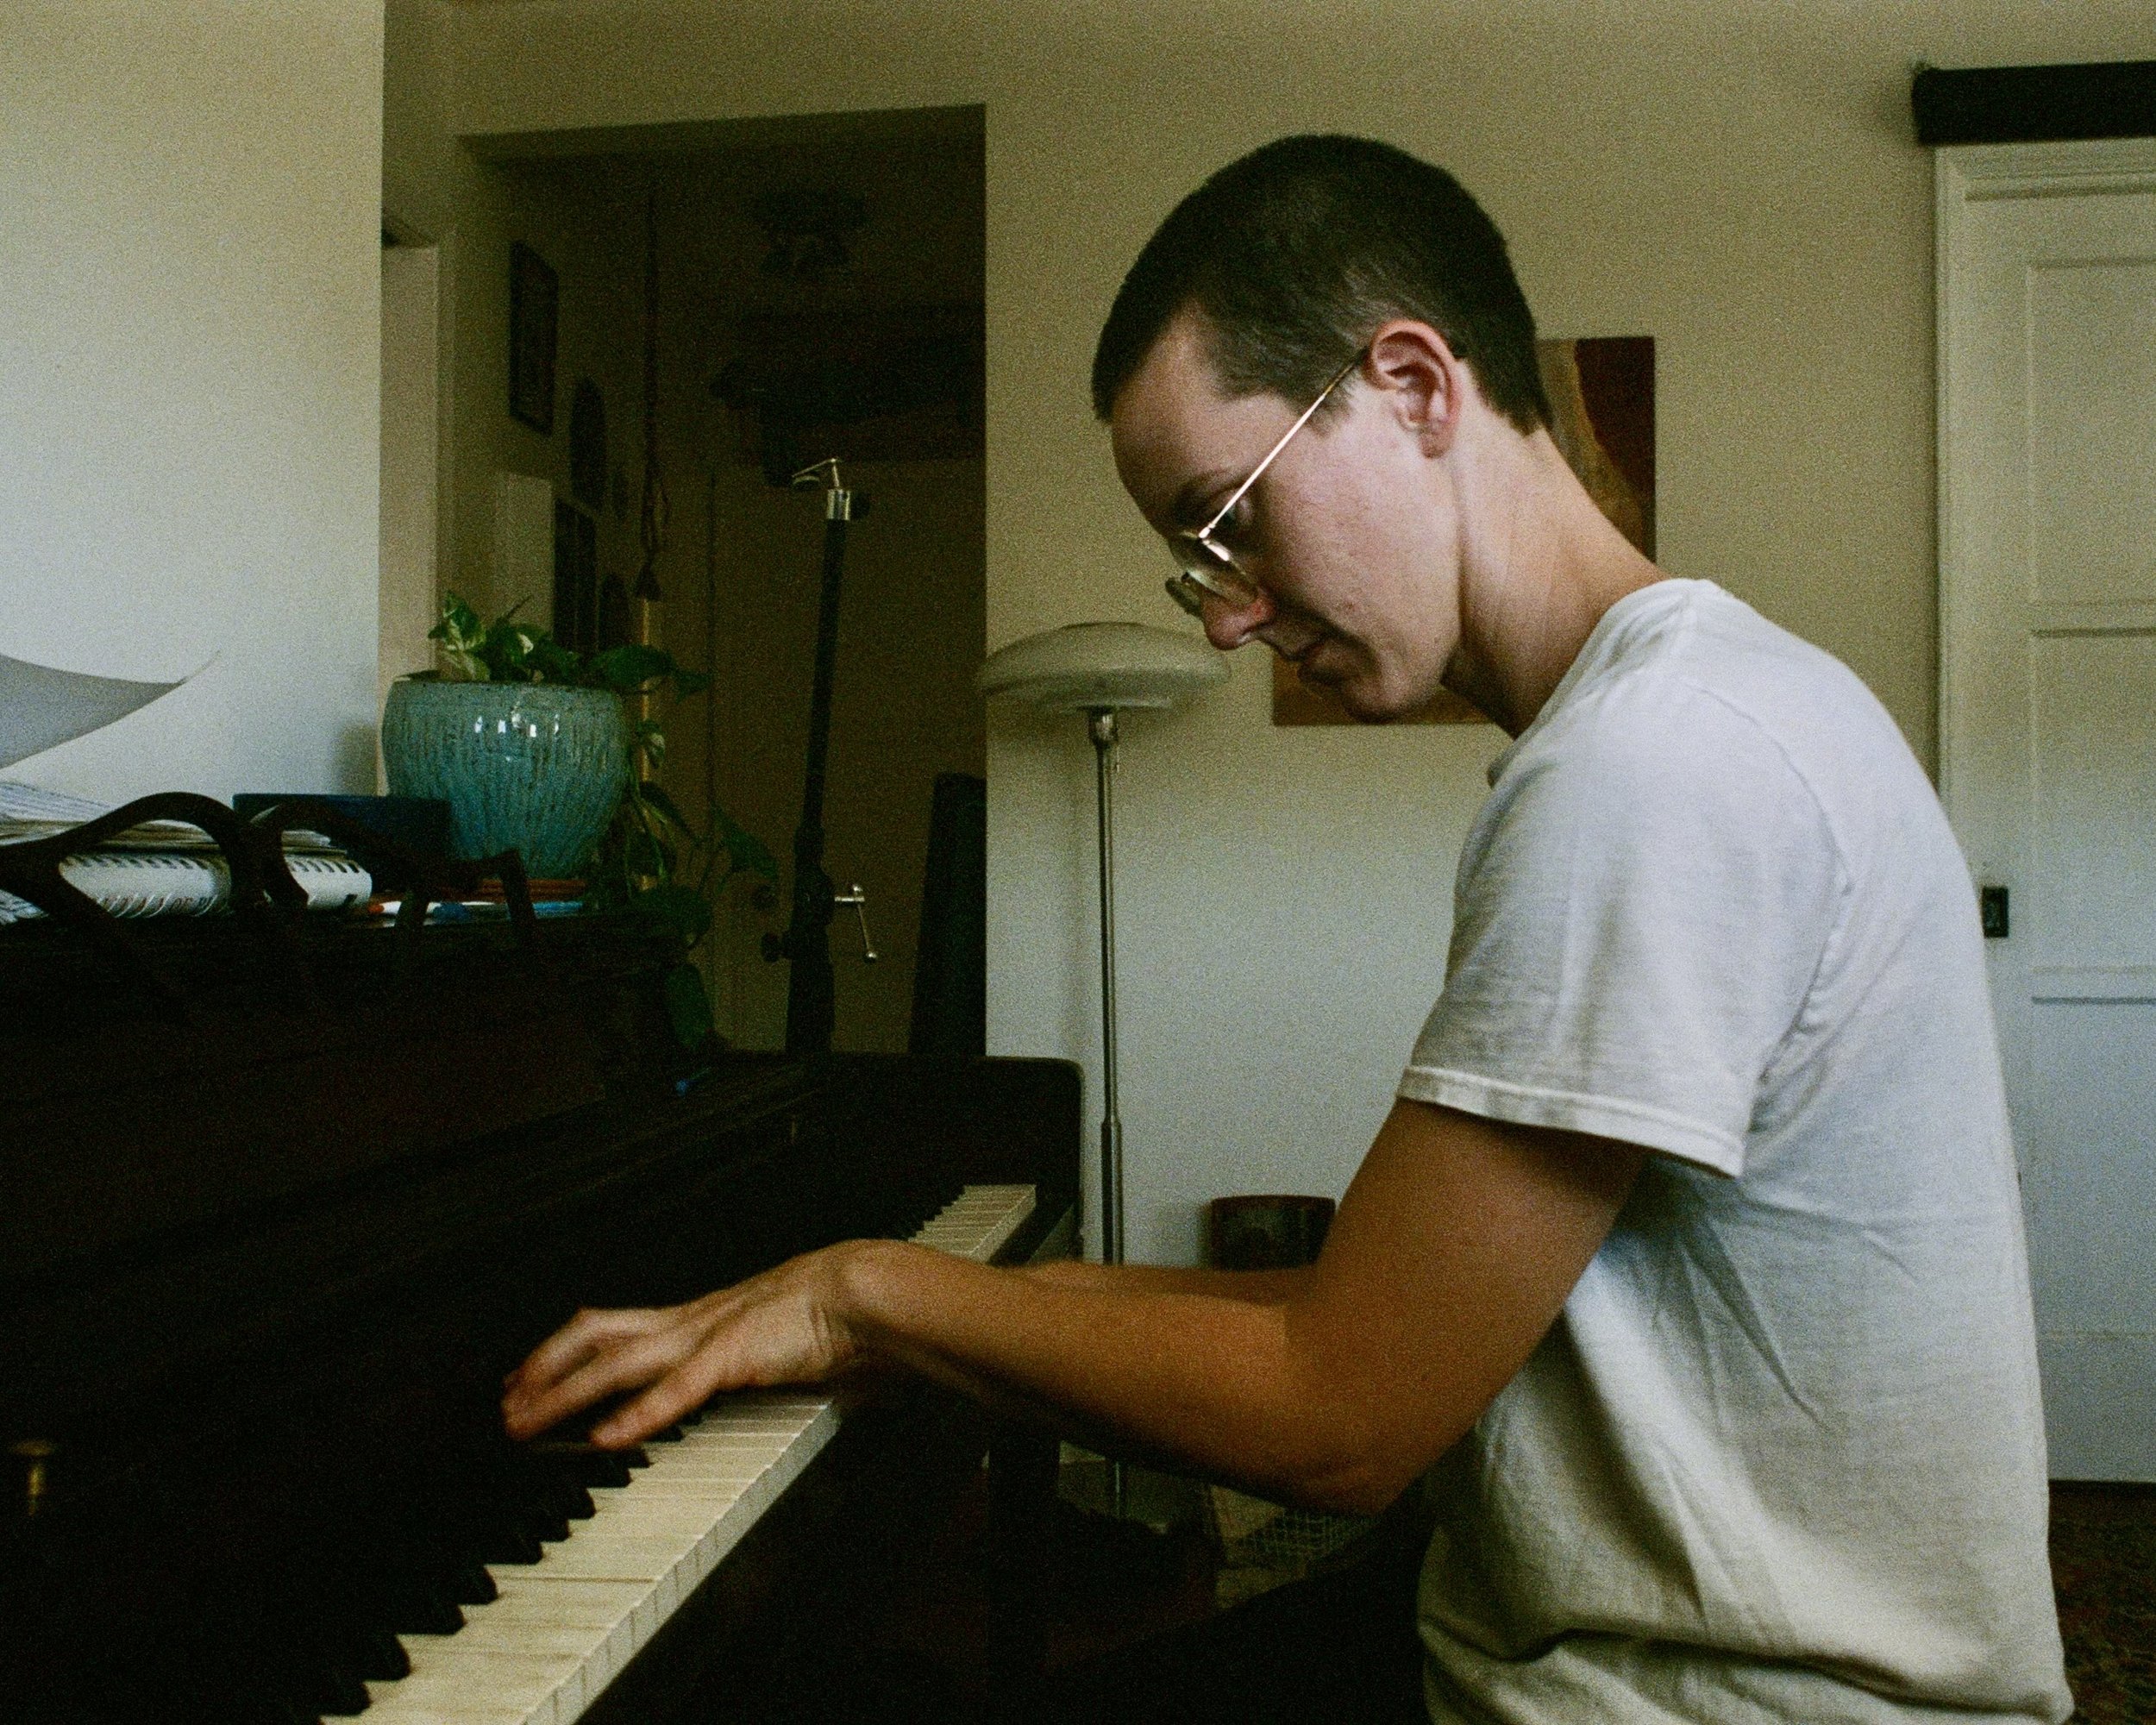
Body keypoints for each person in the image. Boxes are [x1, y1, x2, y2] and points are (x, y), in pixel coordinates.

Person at [503, 135, 2071, 1723]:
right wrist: (894, 1305)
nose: (1231, 610)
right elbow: (1364, 1325)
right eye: (1201, 560)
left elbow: (1341, 1418)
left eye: (1230, 519)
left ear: (1412, 385)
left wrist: (865, 1296)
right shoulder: (1696, 711)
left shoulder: (1653, 764)